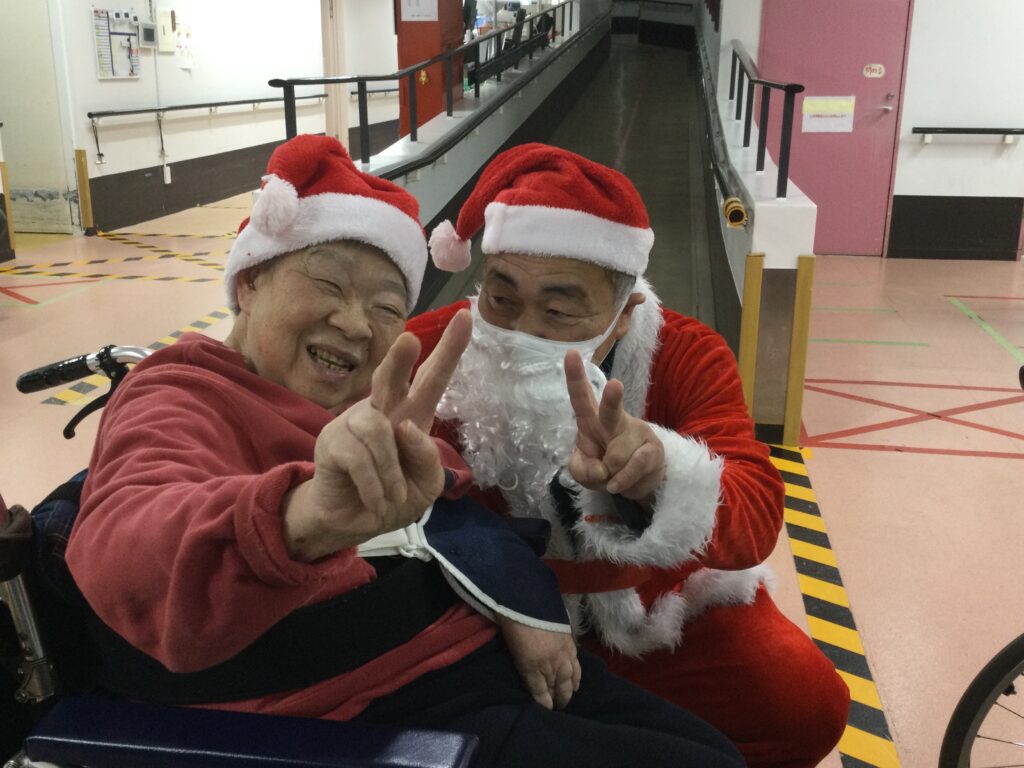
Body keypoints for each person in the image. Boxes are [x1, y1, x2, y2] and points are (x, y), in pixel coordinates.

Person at [64, 134, 746, 768]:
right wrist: (301, 518)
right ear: (250, 280)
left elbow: (452, 515)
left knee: (711, 749)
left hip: (460, 662)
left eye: (386, 307)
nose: (355, 323)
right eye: (328, 284)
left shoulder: (367, 402)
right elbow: (133, 543)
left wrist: (517, 600)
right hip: (362, 712)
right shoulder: (180, 394)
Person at [410, 142, 851, 768]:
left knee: (802, 704)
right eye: (501, 298)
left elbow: (755, 511)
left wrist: (663, 475)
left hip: (653, 613)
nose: (520, 331)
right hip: (483, 616)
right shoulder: (436, 349)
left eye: (558, 310)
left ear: (623, 315)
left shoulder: (686, 354)